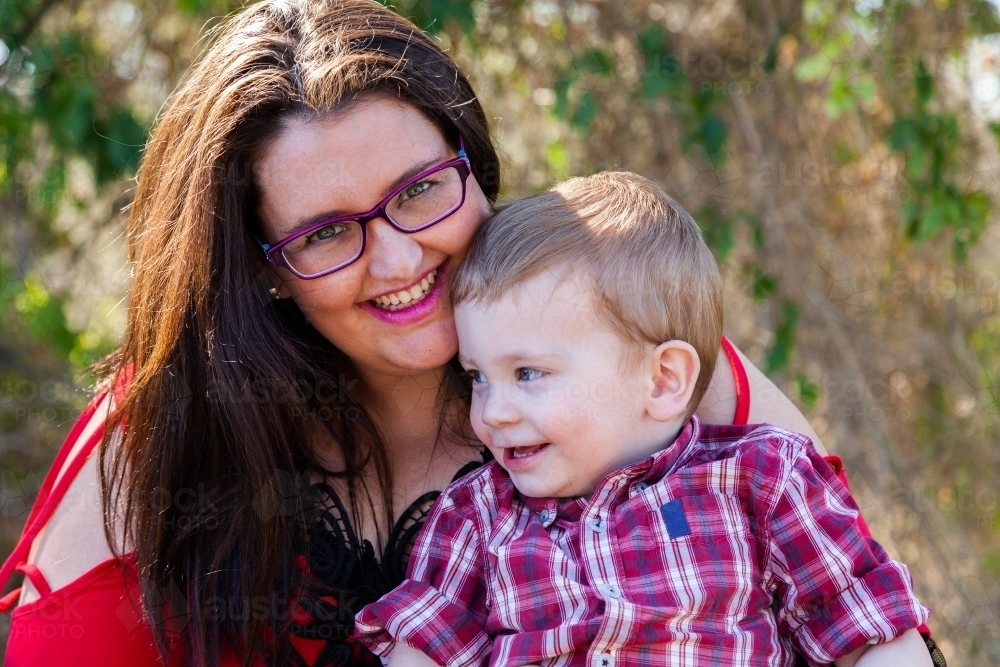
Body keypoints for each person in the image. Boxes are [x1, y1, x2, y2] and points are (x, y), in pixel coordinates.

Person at [0, 2, 941, 666]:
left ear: (472, 166)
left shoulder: (631, 363)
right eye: (327, 232)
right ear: (262, 270)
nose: (400, 257)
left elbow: (864, 608)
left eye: (419, 191)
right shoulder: (178, 421)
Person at [354, 172, 932, 667]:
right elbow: (422, 647)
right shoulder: (478, 516)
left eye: (528, 373)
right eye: (477, 376)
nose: (494, 412)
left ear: (662, 381)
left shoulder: (762, 480)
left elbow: (871, 627)